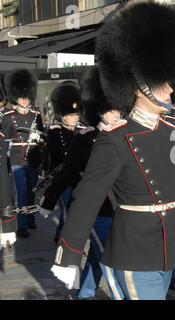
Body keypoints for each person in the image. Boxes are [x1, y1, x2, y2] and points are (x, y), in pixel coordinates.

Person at [49, 1, 175, 300]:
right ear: (139, 86)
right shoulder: (115, 139)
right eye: (162, 82)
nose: (171, 90)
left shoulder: (170, 131)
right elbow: (87, 197)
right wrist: (68, 254)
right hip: (135, 250)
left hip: (168, 250)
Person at [38, 67, 125, 299]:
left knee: (99, 255)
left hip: (122, 209)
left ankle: (85, 292)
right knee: (111, 260)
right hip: (98, 210)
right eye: (111, 109)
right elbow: (67, 173)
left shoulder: (125, 135)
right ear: (99, 110)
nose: (117, 114)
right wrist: (48, 200)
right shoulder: (87, 139)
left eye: (119, 109)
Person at [1, 68, 44, 238]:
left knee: (32, 190)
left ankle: (31, 217)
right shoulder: (8, 115)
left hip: (33, 155)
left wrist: (39, 137)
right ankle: (22, 224)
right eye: (21, 97)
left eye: (26, 97)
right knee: (21, 190)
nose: (24, 100)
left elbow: (42, 133)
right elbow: (5, 138)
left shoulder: (36, 114)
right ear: (16, 97)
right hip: (18, 156)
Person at [45, 82, 84, 243]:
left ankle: (60, 232)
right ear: (63, 115)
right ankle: (67, 241)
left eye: (76, 115)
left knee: (73, 210)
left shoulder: (83, 131)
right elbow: (56, 153)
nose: (74, 118)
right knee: (67, 210)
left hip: (78, 178)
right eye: (71, 115)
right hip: (62, 178)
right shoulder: (55, 132)